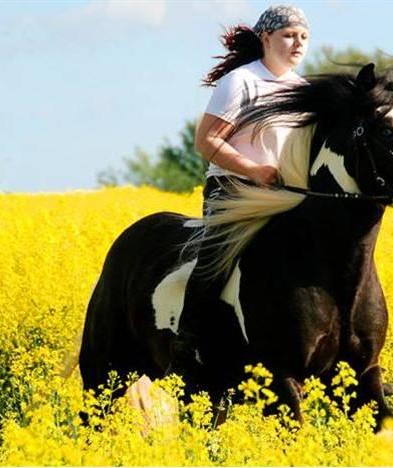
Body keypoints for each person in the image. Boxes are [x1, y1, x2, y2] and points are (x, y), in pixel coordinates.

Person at [168, 5, 310, 385]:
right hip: (234, 188)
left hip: (287, 192)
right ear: (266, 38)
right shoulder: (240, 81)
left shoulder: (304, 91)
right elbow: (207, 140)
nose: (297, 44)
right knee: (217, 257)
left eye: (303, 38)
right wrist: (255, 171)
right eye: (288, 35)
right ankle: (188, 342)